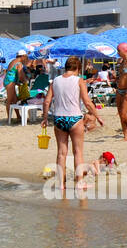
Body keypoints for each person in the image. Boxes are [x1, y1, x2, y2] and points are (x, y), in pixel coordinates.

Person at [42, 56, 98, 191]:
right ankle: (79, 183)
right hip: (74, 118)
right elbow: (87, 102)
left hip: (59, 118)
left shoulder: (55, 81)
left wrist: (44, 118)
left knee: (61, 153)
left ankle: (61, 184)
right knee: (78, 152)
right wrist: (97, 116)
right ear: (77, 68)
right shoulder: (79, 80)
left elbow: (47, 101)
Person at [3, 53, 30, 125]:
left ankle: (18, 116)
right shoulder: (19, 63)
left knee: (14, 99)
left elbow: (11, 72)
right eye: (26, 57)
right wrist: (25, 81)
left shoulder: (13, 61)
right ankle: (9, 118)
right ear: (23, 56)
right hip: (10, 81)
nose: (26, 58)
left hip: (9, 81)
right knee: (9, 100)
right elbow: (21, 74)